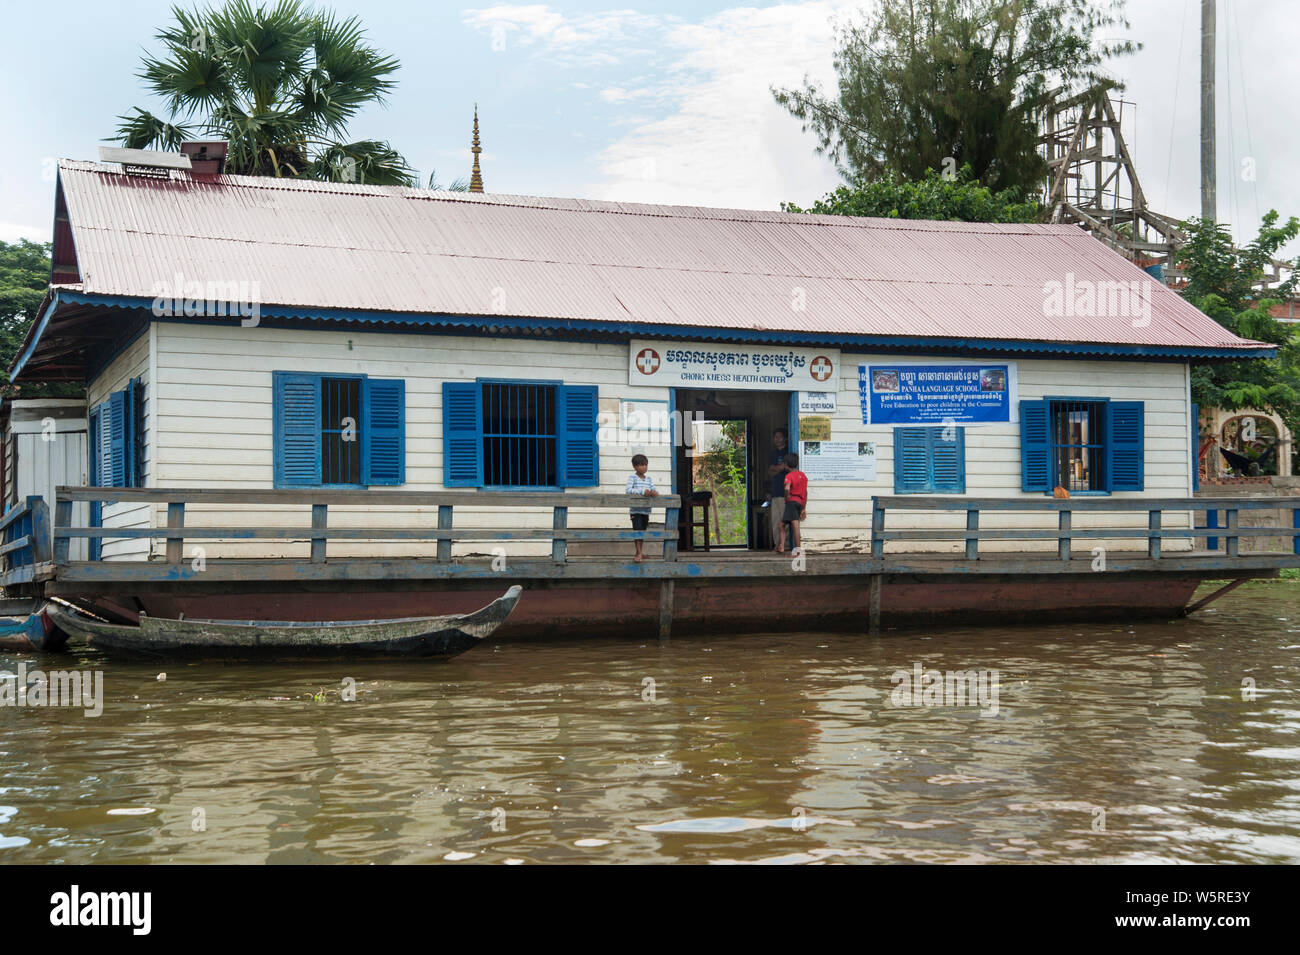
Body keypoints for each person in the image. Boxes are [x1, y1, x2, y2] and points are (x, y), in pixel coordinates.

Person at [626, 453, 658, 563]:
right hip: (636, 510)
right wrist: (641, 492)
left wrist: (654, 492)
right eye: (641, 465)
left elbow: (653, 489)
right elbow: (629, 490)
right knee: (637, 531)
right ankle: (639, 553)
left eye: (645, 465)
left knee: (643, 531)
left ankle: (639, 552)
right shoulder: (632, 478)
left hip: (646, 510)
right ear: (635, 466)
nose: (644, 467)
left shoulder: (648, 479)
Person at [767, 427, 791, 550]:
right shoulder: (773, 454)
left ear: (785, 438)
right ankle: (778, 544)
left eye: (780, 437)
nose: (777, 439)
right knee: (775, 520)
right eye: (775, 437)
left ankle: (785, 545)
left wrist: (777, 468)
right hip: (775, 490)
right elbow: (770, 472)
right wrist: (780, 468)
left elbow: (787, 468)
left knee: (784, 520)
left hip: (785, 491)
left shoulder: (789, 452)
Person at [779, 452, 807, 554]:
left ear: (786, 464)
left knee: (795, 526)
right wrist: (803, 508)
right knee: (781, 524)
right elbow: (805, 493)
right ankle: (781, 546)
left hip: (791, 503)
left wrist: (787, 496)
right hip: (799, 502)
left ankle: (798, 551)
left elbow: (787, 487)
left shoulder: (789, 476)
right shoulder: (802, 475)